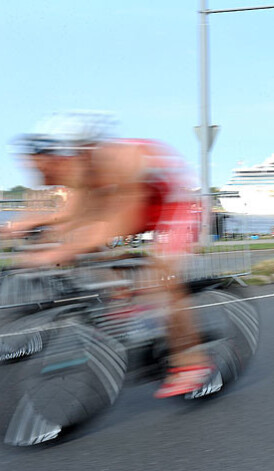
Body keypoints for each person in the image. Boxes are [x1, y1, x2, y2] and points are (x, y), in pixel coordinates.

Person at [8, 110, 211, 398]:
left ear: (81, 151)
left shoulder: (123, 160)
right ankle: (124, 300)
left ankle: (192, 363)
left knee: (160, 277)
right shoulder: (80, 171)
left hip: (176, 203)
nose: (48, 170)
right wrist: (31, 229)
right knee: (88, 241)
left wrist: (63, 248)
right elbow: (73, 215)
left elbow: (119, 221)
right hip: (142, 205)